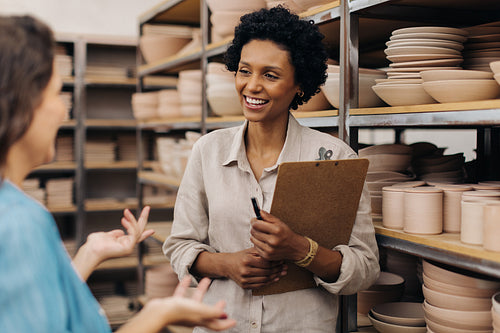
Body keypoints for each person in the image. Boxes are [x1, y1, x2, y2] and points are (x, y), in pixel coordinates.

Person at [0, 15, 236, 333]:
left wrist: (88, 255)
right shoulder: (18, 222)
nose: (63, 109)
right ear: (20, 103)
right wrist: (156, 316)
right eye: (56, 93)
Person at [164, 6, 380, 333]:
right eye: (244, 71)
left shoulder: (335, 158)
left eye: (270, 75)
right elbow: (179, 246)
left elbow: (365, 269)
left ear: (299, 85)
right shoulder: (208, 151)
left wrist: (301, 250)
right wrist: (227, 264)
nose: (252, 86)